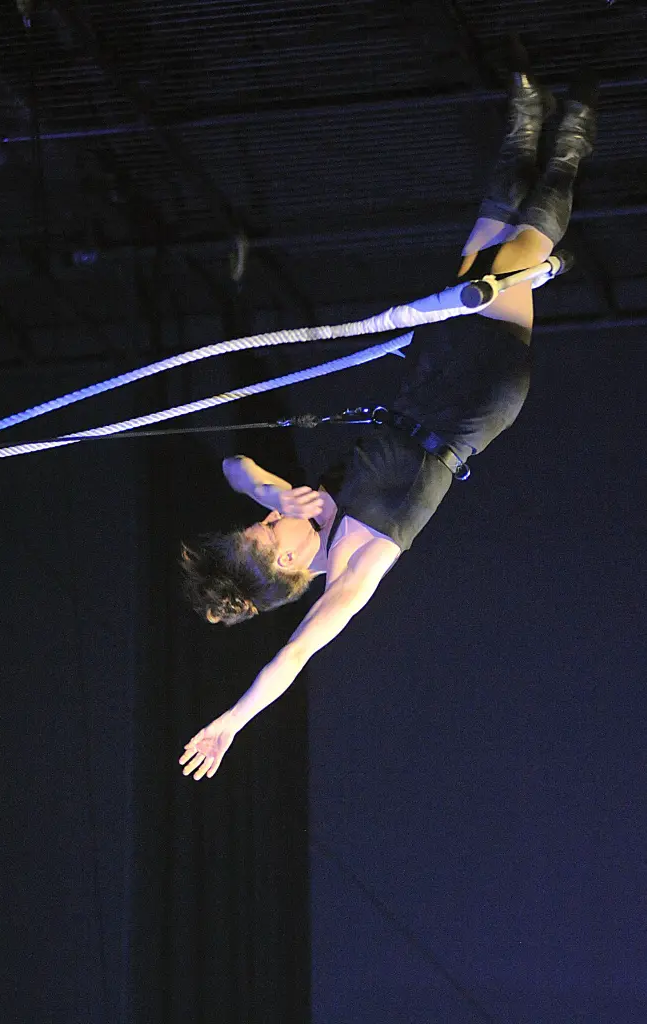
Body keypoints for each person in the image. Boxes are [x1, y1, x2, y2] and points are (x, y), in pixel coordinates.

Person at [179, 38, 598, 781]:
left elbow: (231, 463)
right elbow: (294, 654)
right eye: (270, 529)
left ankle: (534, 125)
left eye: (265, 519)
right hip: (474, 397)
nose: (273, 516)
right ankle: (565, 134)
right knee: (514, 252)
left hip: (425, 373)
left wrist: (278, 493)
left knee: (489, 242)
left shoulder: (298, 510)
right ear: (286, 563)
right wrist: (231, 722)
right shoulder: (350, 567)